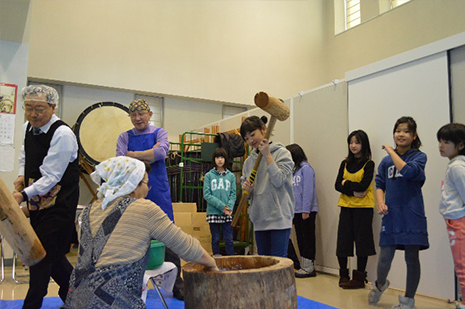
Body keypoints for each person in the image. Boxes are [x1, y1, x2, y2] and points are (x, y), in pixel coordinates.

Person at [65, 157, 217, 309]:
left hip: (77, 300)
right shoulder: (144, 209)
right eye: (145, 183)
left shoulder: (86, 212)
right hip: (116, 303)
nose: (147, 189)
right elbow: (186, 246)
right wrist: (212, 264)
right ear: (132, 185)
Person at [12, 85, 79, 309]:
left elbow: (51, 177)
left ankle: (31, 305)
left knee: (41, 259)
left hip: (60, 205)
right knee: (53, 257)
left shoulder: (62, 134)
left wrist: (22, 195)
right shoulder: (27, 128)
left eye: (39, 108)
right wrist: (22, 176)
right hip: (38, 203)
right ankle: (78, 300)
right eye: (28, 108)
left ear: (53, 106)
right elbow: (25, 156)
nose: (33, 114)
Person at [116, 99, 184, 300]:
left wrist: (133, 155)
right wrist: (148, 155)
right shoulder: (124, 136)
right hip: (133, 193)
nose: (137, 118)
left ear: (149, 114)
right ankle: (131, 285)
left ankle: (177, 284)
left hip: (159, 192)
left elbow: (161, 152)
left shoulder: (159, 132)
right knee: (134, 238)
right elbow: (121, 162)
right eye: (133, 115)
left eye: (141, 114)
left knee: (168, 236)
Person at [368, 116, 429, 309]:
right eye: (398, 130)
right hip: (391, 215)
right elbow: (379, 184)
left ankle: (408, 300)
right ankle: (380, 284)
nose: (401, 135)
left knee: (412, 258)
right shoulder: (386, 162)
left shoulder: (419, 157)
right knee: (385, 256)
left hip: (412, 215)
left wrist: (392, 152)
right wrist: (380, 202)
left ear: (414, 135)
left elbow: (409, 172)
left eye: (406, 131)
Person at [240, 115, 294, 257]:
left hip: (279, 218)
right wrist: (246, 188)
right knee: (263, 264)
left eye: (252, 134)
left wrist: (267, 155)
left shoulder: (282, 153)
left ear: (264, 129)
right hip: (260, 219)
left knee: (277, 264)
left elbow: (279, 180)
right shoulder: (248, 162)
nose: (250, 141)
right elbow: (247, 194)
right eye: (246, 138)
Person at [334, 130, 376, 289]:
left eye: (357, 142)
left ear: (363, 144)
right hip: (346, 207)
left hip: (364, 208)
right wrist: (351, 190)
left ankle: (359, 278)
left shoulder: (369, 164)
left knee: (362, 243)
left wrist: (346, 184)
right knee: (343, 242)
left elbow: (363, 186)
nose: (353, 145)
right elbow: (337, 185)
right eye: (351, 142)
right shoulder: (344, 163)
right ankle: (343, 275)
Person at [437, 123, 465, 309]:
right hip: (454, 221)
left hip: (459, 222)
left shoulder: (457, 167)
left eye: (446, 142)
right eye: (440, 141)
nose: (441, 145)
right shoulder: (454, 165)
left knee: (462, 265)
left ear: (460, 145)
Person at [286, 143, 318, 278]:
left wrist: (306, 210)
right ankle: (304, 265)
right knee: (300, 238)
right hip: (297, 211)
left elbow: (308, 191)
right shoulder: (295, 171)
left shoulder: (306, 169)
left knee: (307, 238)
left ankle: (309, 267)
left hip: (307, 211)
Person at [203, 147, 236, 256]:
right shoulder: (208, 175)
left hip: (227, 212)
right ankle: (216, 259)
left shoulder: (231, 176)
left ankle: (231, 260)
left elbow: (233, 194)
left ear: (225, 159)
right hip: (213, 212)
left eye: (222, 157)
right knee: (216, 238)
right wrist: (222, 206)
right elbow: (207, 195)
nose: (220, 160)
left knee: (229, 239)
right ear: (214, 159)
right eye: (217, 157)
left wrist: (229, 207)